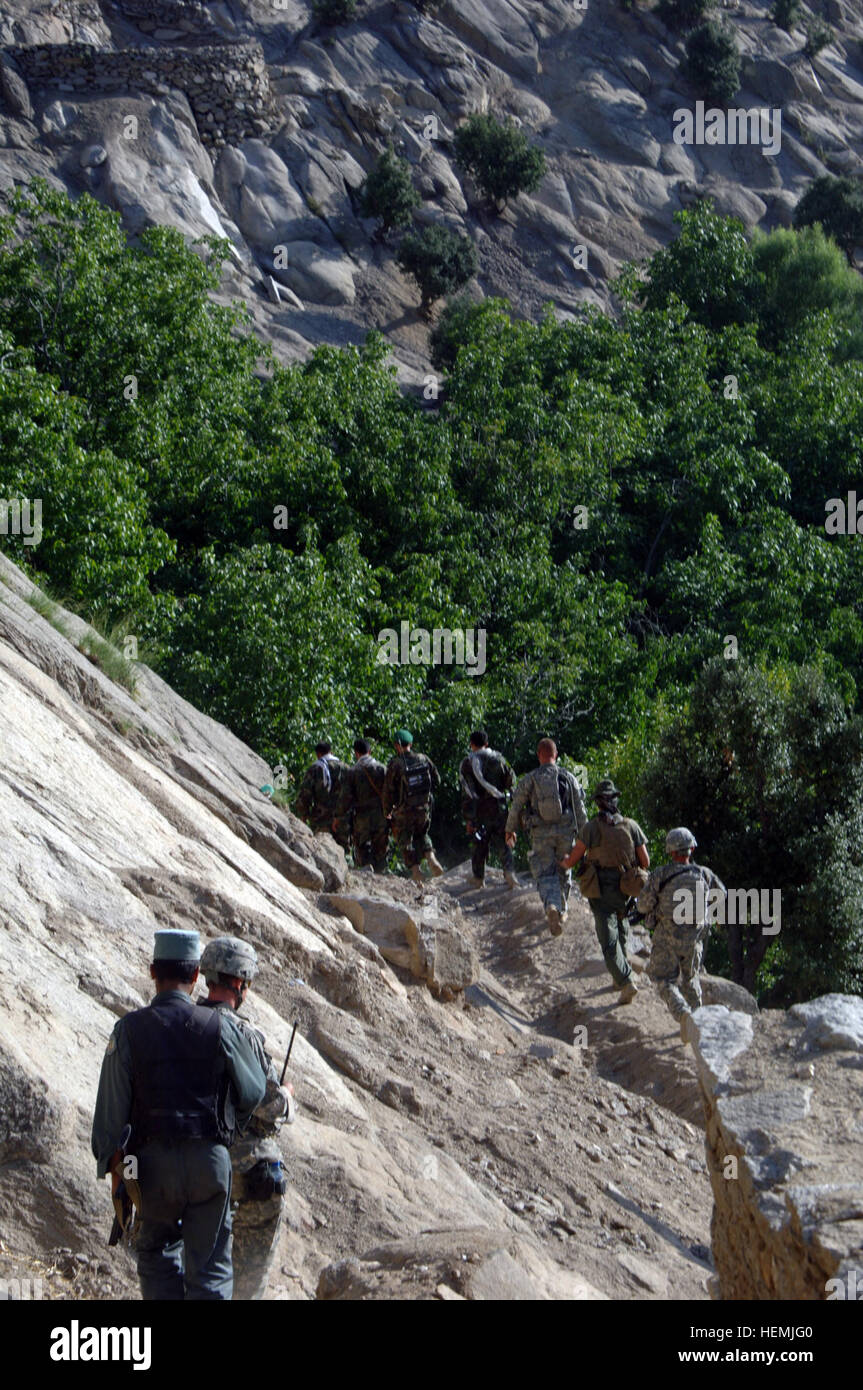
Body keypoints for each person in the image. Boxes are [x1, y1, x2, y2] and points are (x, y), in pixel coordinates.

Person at [91, 929, 268, 1300]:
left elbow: (110, 1117)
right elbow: (253, 1092)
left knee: (156, 1255)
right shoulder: (221, 1027)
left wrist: (117, 1175)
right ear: (195, 977)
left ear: (153, 972)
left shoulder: (128, 1031)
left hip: (151, 1168)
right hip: (209, 1163)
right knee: (211, 1268)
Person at [198, 937, 296, 1301]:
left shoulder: (181, 1025)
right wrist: (286, 1096)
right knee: (246, 1285)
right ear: (240, 983)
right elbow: (269, 1106)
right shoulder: (244, 1035)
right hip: (248, 1172)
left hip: (189, 1166)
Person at [560, 779, 650, 1005]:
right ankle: (619, 977)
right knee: (621, 928)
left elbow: (573, 860)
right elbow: (645, 861)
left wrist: (562, 863)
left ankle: (626, 980)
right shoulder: (631, 826)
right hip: (626, 888)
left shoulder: (590, 828)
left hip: (600, 888)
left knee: (608, 940)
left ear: (598, 804)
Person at [636, 827, 726, 1036]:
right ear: (691, 848)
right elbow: (721, 897)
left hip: (666, 938)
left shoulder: (661, 874)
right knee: (691, 979)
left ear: (670, 851)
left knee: (662, 979)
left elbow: (642, 905)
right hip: (694, 940)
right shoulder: (704, 874)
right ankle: (697, 1024)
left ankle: (683, 1014)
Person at [505, 738, 587, 936]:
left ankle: (552, 905)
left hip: (540, 833)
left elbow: (516, 806)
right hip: (566, 833)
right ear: (555, 754)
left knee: (544, 873)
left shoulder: (530, 779)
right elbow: (580, 809)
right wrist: (586, 838)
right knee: (564, 868)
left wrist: (510, 829)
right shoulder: (568, 777)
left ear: (538, 755)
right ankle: (562, 909)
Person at [383, 728, 443, 886]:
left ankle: (416, 871)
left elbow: (388, 791)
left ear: (397, 745)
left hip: (404, 810)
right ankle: (431, 857)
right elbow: (437, 780)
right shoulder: (423, 759)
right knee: (422, 833)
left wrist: (387, 811)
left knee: (404, 839)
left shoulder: (395, 764)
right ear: (410, 743)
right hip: (423, 808)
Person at [459, 729, 517, 890]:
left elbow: (467, 794)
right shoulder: (499, 759)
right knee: (503, 843)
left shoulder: (467, 763)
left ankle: (478, 879)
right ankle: (510, 874)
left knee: (479, 843)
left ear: (471, 744)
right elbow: (511, 783)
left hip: (479, 812)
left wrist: (469, 818)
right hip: (499, 809)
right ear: (487, 743)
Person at [334, 738, 390, 872]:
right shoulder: (382, 769)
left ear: (356, 753)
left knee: (362, 846)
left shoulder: (352, 772)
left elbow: (345, 798)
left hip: (361, 816)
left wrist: (338, 816)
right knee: (381, 846)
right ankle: (381, 874)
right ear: (370, 751)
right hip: (381, 814)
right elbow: (390, 792)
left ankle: (367, 872)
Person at [295, 740, 351, 850]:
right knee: (342, 852)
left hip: (321, 819)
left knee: (321, 850)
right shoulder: (346, 768)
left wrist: (304, 815)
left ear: (318, 754)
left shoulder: (315, 768)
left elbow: (305, 795)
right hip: (343, 819)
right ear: (331, 752)